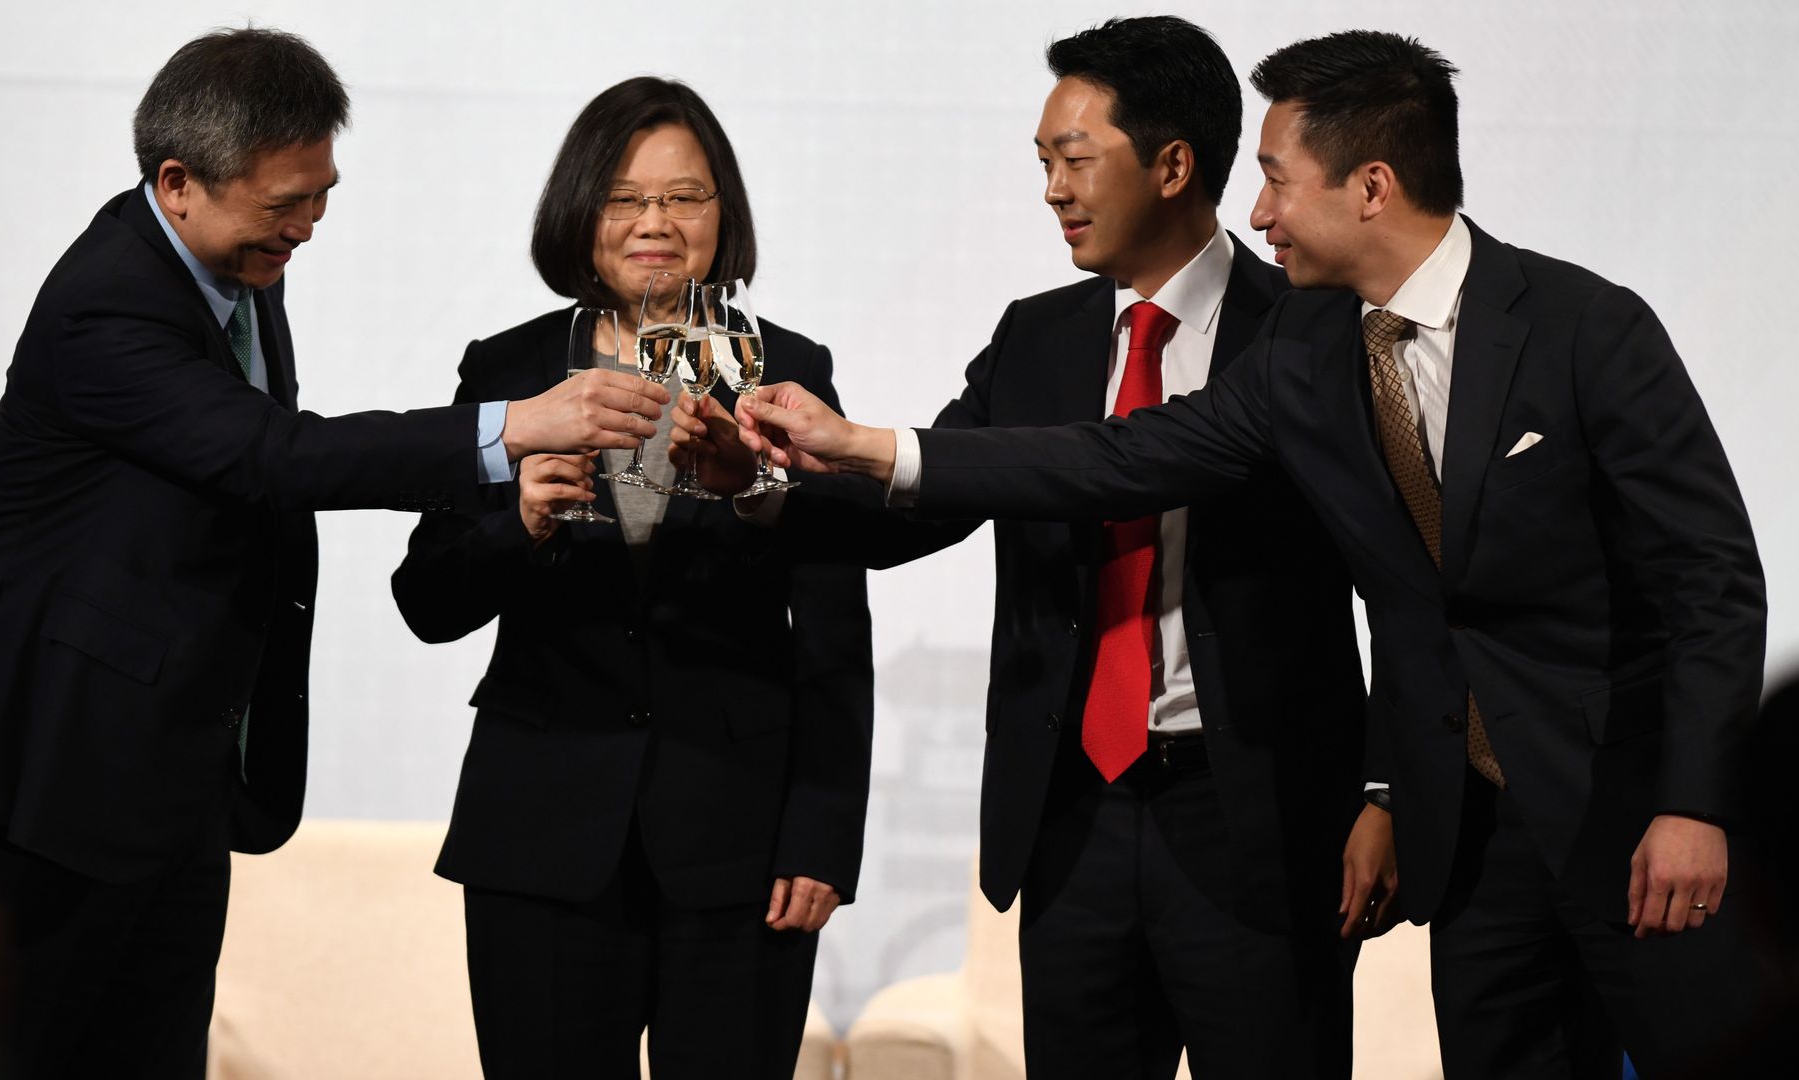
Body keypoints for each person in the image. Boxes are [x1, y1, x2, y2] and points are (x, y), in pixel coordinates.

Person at [735, 29, 1784, 1080]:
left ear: (1369, 186)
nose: (1261, 210)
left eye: (1279, 180)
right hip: (1467, 844)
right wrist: (858, 446)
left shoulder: (1582, 327)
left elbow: (1711, 579)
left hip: (1627, 820)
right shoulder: (1310, 352)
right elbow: (1125, 458)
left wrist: (1693, 802)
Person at [0, 28, 664, 1077]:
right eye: (282, 203)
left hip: (166, 776)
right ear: (178, 184)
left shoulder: (239, 266)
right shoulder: (107, 303)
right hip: (45, 772)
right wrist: (513, 427)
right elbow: (271, 454)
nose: (306, 227)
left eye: (320, 195)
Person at [681, 17, 1382, 1079]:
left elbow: (1404, 588)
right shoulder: (1037, 335)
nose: (1053, 189)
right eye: (1043, 163)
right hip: (1073, 819)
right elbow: (925, 503)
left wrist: (1386, 793)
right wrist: (766, 489)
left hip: (1260, 823)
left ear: (1173, 164)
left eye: (1075, 159)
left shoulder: (1310, 330)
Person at [389, 76, 872, 1080]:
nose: (655, 222)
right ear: (582, 211)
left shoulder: (785, 369)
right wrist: (519, 519)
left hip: (741, 844)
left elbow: (833, 625)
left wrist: (823, 834)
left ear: (722, 215)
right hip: (542, 831)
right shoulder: (511, 370)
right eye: (625, 197)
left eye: (684, 197)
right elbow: (426, 598)